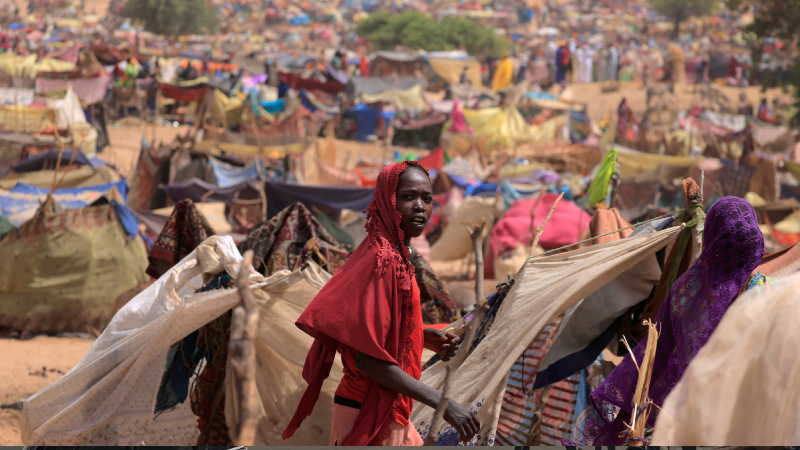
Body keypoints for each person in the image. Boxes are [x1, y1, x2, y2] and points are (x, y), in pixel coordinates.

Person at [284, 161, 481, 446]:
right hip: (368, 409)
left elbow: (374, 333)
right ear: (387, 200)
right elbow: (368, 360)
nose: (420, 206)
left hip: (386, 406)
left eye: (427, 199)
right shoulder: (383, 261)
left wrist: (420, 337)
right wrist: (445, 405)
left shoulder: (394, 255)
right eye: (408, 196)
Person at [584, 196, 765, 445]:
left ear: (713, 233)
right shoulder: (765, 291)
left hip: (684, 412)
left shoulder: (686, 289)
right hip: (742, 416)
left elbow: (660, 348)